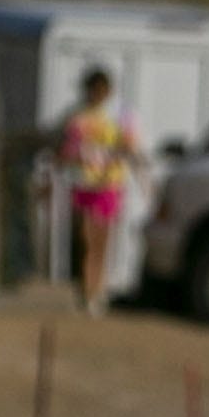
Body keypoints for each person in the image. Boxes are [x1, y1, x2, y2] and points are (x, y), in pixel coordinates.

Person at [55, 68, 146, 315]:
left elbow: (130, 148)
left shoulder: (121, 115)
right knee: (85, 239)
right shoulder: (76, 116)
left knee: (100, 241)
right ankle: (87, 288)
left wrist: (141, 178)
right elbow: (64, 151)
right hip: (83, 182)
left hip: (109, 184)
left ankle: (95, 289)